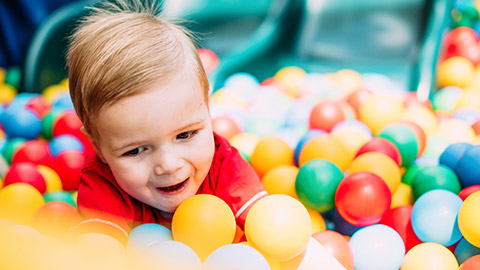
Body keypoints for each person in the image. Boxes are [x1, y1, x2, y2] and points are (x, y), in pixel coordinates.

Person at [66, 0, 267, 244]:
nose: (169, 166)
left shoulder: (224, 165)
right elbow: (98, 249)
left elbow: (273, 229)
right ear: (99, 148)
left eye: (185, 135)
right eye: (135, 150)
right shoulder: (104, 184)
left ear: (207, 106)